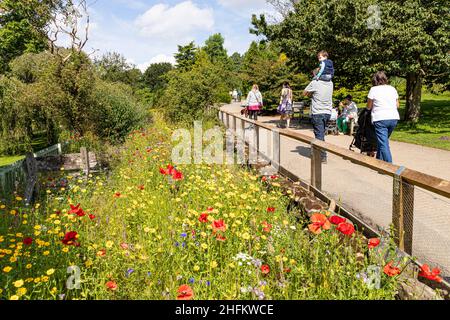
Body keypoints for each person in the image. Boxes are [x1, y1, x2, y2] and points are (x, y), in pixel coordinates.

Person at [366, 71, 400, 163]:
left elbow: (368, 106)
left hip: (380, 118)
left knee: (383, 143)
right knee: (382, 141)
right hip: (393, 118)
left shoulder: (373, 89)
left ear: (375, 80)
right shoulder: (392, 89)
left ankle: (390, 166)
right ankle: (379, 161)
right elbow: (397, 105)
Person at [303, 69, 334, 163]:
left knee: (319, 135)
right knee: (321, 133)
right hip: (327, 112)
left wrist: (311, 94)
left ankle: (322, 156)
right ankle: (320, 153)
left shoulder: (314, 82)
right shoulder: (330, 83)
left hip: (318, 112)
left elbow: (304, 93)